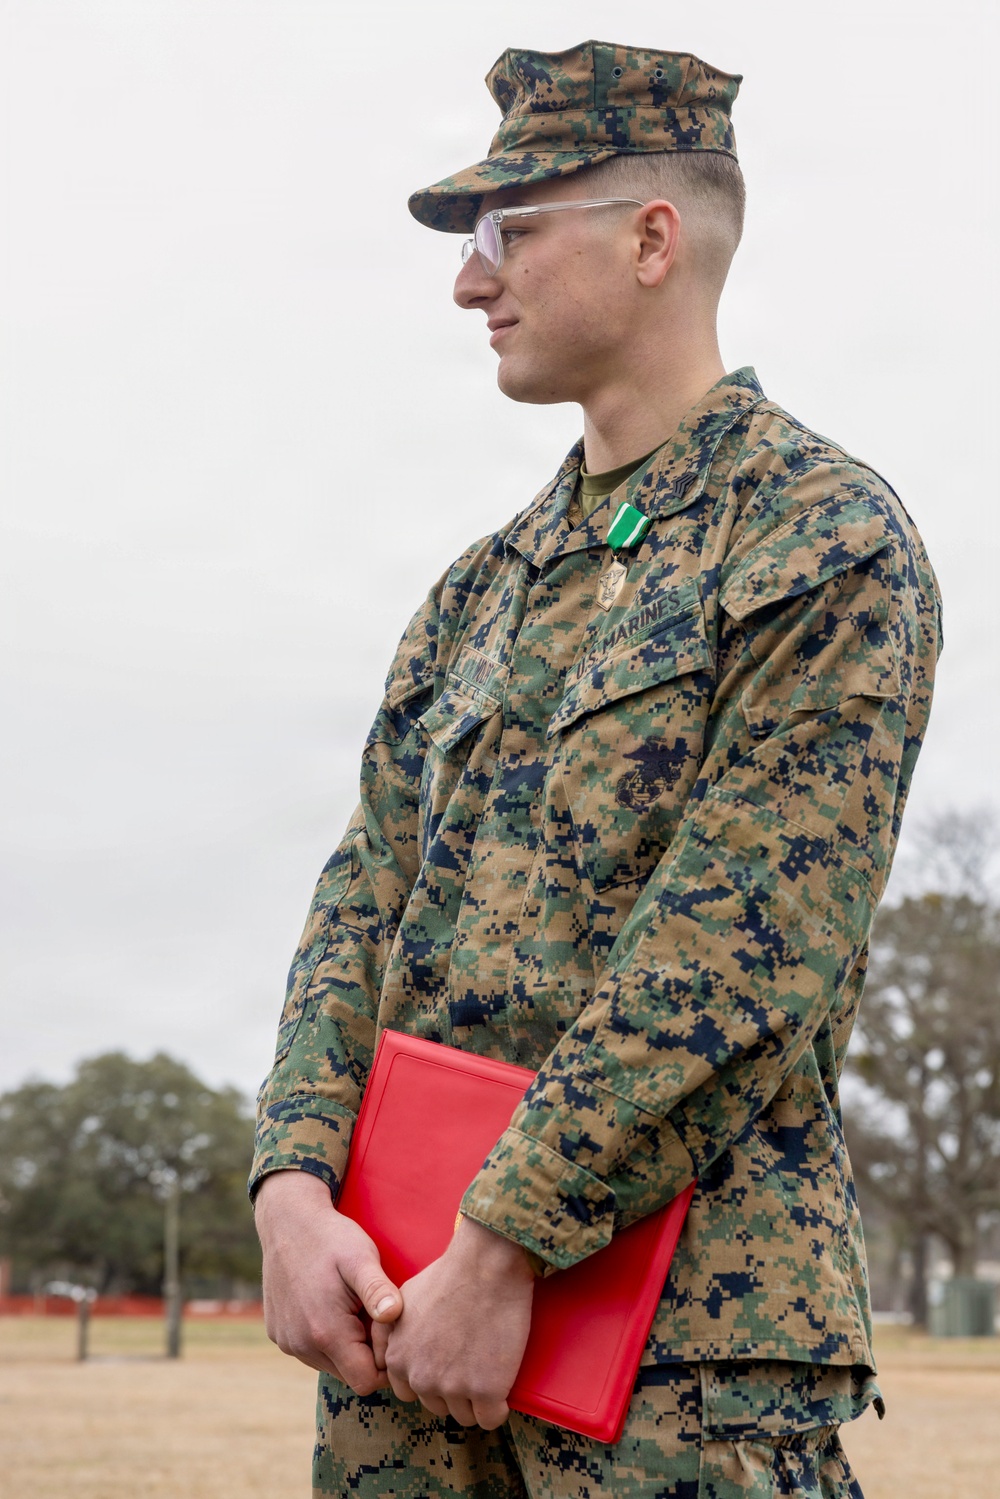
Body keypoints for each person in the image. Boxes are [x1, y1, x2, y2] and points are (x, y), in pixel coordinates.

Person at [251, 39, 941, 1498]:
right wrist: (294, 1189)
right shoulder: (479, 588)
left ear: (651, 239)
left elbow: (744, 955)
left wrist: (507, 1244)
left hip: (679, 1365)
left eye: (509, 232)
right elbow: (359, 901)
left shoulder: (819, 540)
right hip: (401, 1346)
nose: (468, 279)